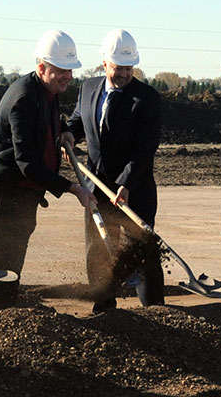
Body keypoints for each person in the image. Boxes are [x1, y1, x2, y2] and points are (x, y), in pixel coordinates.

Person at [0, 30, 97, 323]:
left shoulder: (47, 91)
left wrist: (63, 130)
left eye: (70, 70)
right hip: (4, 194)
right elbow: (27, 161)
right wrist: (72, 188)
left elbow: (46, 125)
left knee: (11, 265)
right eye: (60, 71)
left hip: (25, 193)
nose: (67, 76)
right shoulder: (24, 98)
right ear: (41, 68)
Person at [67, 29, 164, 313]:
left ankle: (156, 311)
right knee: (97, 251)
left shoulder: (146, 98)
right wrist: (69, 135)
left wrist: (126, 183)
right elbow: (78, 119)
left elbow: (145, 149)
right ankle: (104, 307)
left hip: (134, 190)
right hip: (95, 188)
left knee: (142, 253)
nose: (123, 73)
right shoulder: (88, 88)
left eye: (128, 68)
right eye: (118, 67)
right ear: (105, 63)